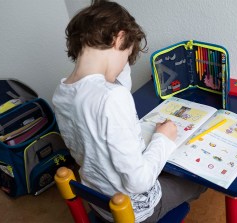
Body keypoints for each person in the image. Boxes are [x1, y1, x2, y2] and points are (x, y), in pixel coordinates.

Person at [52, 0, 206, 222]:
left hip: (98, 202)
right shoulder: (112, 97)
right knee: (197, 181)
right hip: (135, 211)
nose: (125, 64)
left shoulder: (63, 91)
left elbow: (112, 85)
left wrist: (120, 58)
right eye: (126, 56)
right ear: (119, 38)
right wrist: (163, 139)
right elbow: (139, 182)